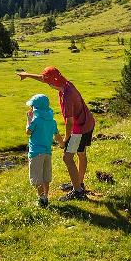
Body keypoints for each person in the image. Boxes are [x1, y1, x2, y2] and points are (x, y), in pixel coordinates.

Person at [18, 66, 95, 201]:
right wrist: (27, 75)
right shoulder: (66, 84)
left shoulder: (67, 97)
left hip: (79, 130)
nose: (46, 84)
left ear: (52, 83)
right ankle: (78, 183)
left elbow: (70, 122)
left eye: (48, 83)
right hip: (88, 122)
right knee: (81, 153)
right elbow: (45, 79)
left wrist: (65, 139)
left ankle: (78, 191)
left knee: (67, 158)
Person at [25, 93, 59, 207]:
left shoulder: (36, 121)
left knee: (37, 177)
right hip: (47, 153)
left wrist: (29, 119)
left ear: (35, 108)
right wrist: (63, 144)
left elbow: (28, 132)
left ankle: (41, 199)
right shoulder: (52, 121)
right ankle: (46, 197)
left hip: (35, 153)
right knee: (46, 177)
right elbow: (57, 135)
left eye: (32, 107)